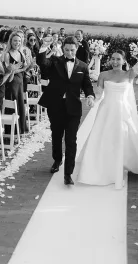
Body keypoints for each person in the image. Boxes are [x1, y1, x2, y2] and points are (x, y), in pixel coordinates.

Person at [76, 45, 138, 188]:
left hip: (122, 112)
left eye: (118, 59)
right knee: (103, 138)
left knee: (121, 138)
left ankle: (121, 164)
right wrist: (91, 99)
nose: (115, 62)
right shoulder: (103, 75)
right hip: (106, 111)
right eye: (113, 59)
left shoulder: (129, 74)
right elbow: (98, 95)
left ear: (124, 60)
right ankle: (101, 168)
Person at [37, 36, 96, 185]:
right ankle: (57, 160)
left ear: (76, 49)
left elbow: (87, 84)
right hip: (55, 105)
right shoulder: (55, 61)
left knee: (71, 140)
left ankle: (68, 173)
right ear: (63, 49)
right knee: (57, 136)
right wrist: (44, 47)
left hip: (74, 108)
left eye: (72, 50)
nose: (70, 53)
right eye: (67, 50)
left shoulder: (82, 66)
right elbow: (42, 63)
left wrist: (90, 95)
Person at [3, 32, 29, 135]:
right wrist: (16, 69)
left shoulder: (21, 53)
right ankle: (10, 131)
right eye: (15, 41)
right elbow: (7, 72)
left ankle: (21, 128)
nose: (17, 43)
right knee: (12, 103)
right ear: (11, 41)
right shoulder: (7, 54)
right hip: (11, 82)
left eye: (19, 41)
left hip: (20, 82)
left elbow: (24, 67)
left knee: (19, 103)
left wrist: (27, 66)